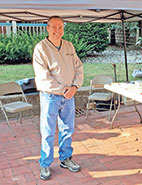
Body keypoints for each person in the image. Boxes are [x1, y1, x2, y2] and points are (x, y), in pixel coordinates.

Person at [33, 16, 83, 180]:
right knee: (47, 131)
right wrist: (63, 90)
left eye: (60, 27)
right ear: (47, 28)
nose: (57, 30)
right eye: (54, 27)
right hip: (51, 97)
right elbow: (43, 77)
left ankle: (65, 158)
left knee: (68, 129)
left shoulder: (69, 46)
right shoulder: (41, 48)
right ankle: (45, 164)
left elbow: (79, 68)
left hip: (69, 96)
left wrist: (75, 87)